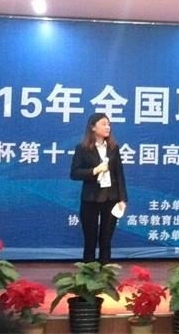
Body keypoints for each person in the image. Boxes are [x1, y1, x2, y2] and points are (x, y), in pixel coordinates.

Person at [70, 112, 127, 264]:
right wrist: (94, 170)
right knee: (90, 240)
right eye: (103, 124)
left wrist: (122, 199)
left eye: (109, 124)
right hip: (91, 198)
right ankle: (88, 274)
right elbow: (74, 173)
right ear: (93, 127)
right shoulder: (82, 148)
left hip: (111, 197)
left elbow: (119, 174)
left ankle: (105, 273)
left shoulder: (114, 148)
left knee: (106, 240)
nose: (108, 127)